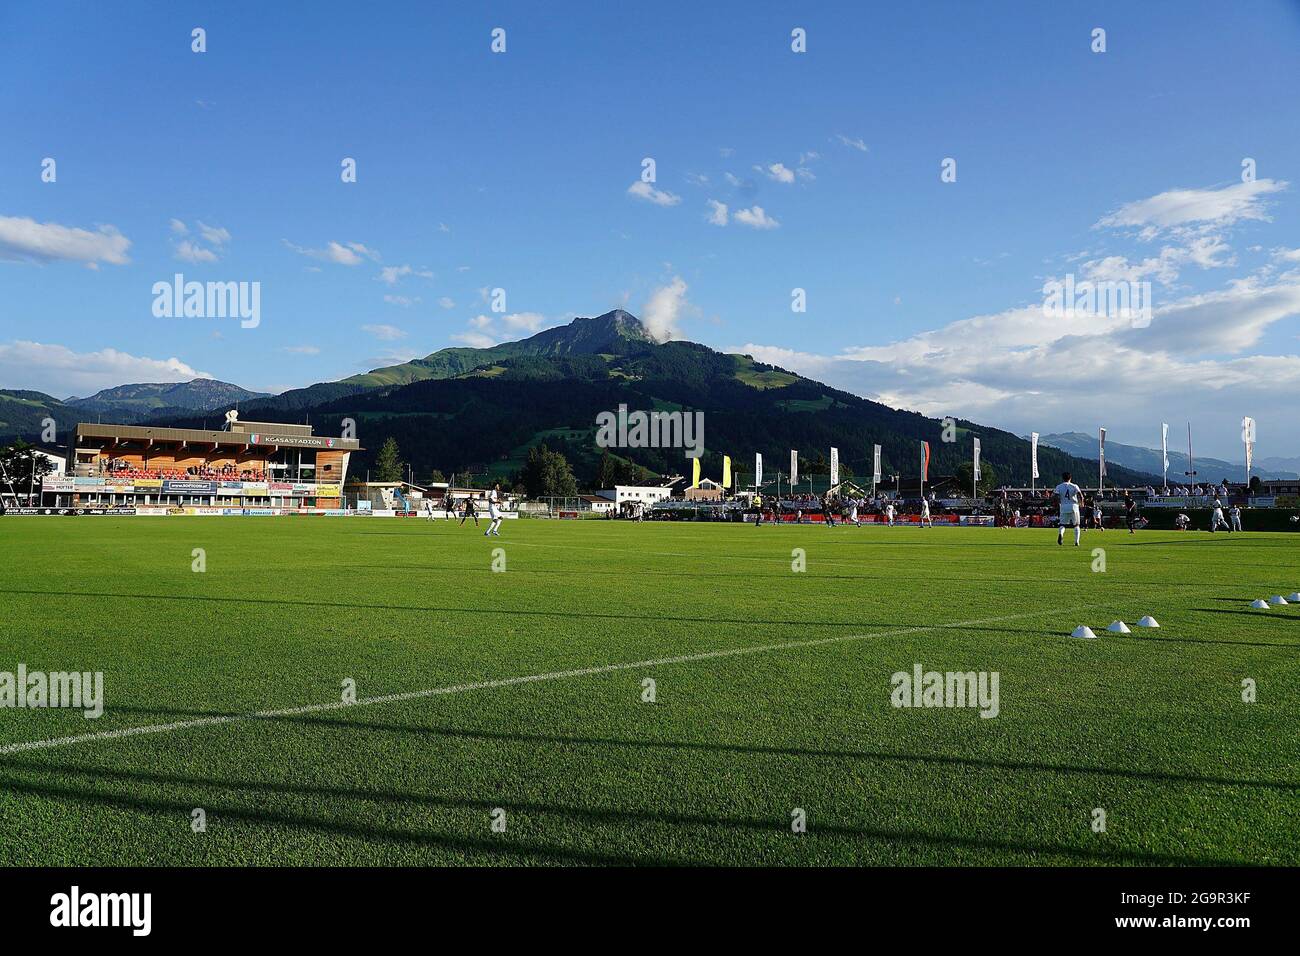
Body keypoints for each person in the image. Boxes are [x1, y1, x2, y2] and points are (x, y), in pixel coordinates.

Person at [1054, 471, 1083, 546]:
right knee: (1076, 525)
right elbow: (1080, 495)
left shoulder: (1059, 486)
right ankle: (1077, 542)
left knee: (1062, 524)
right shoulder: (1074, 486)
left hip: (1063, 506)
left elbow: (1055, 496)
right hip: (1074, 506)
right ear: (1070, 478)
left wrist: (1057, 505)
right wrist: (1081, 503)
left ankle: (1061, 534)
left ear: (1063, 478)